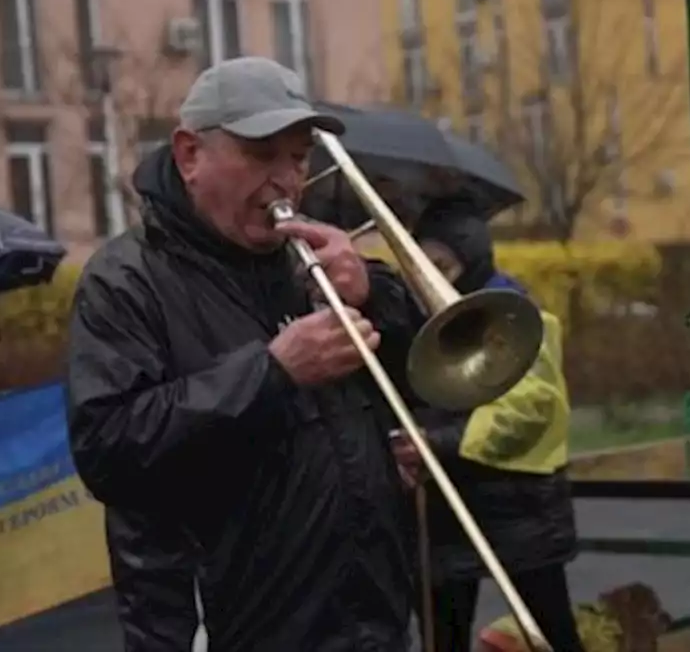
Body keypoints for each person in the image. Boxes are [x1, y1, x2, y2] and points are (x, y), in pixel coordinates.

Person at [65, 57, 424, 652]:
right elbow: (108, 448)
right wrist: (273, 372)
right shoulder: (124, 280)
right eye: (263, 155)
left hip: (368, 625)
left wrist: (374, 296)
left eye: (300, 157)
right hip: (228, 630)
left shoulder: (310, 260)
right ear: (189, 156)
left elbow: (429, 382)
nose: (288, 181)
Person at [393, 199, 585, 652]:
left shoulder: (521, 317)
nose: (430, 277)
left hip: (519, 508)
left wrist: (434, 443)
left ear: (471, 261)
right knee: (443, 637)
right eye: (420, 264)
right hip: (445, 509)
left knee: (550, 633)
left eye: (442, 265)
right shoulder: (412, 320)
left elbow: (527, 408)